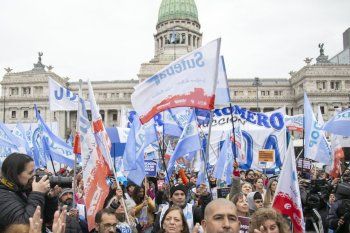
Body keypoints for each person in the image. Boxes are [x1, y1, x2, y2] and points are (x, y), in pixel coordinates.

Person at [0, 153, 53, 232]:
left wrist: (49, 197)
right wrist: (37, 194)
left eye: (34, 171)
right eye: (30, 173)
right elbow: (24, 227)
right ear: (14, 174)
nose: (34, 175)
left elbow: (46, 218)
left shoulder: (22, 190)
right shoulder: (3, 196)